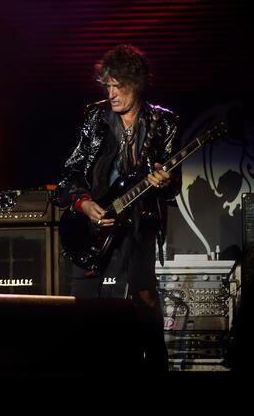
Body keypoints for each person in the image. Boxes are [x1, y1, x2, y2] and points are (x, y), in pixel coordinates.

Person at [52, 44, 181, 372]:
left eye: (117, 85)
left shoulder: (163, 123)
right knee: (85, 302)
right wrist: (84, 203)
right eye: (106, 85)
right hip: (95, 219)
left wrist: (165, 181)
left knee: (144, 300)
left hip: (139, 222)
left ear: (136, 83)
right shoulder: (95, 117)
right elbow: (72, 170)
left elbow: (174, 183)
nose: (110, 92)